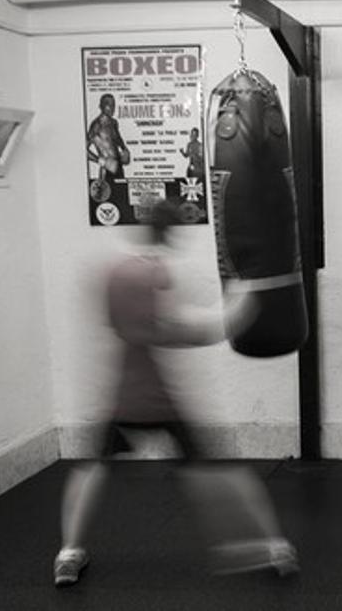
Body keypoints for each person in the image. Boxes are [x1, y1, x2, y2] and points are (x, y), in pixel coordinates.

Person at [52, 200, 299, 586]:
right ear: (172, 233)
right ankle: (275, 543)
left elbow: (128, 326)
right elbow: (176, 331)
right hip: (158, 399)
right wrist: (235, 312)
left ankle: (68, 553)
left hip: (123, 395)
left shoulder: (114, 272)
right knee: (222, 470)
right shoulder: (155, 276)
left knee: (92, 469)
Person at [87, 93, 130, 184]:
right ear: (101, 106)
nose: (112, 108)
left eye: (113, 104)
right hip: (107, 169)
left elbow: (119, 141)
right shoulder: (96, 125)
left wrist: (125, 151)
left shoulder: (114, 123)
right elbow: (83, 150)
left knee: (121, 194)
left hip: (118, 167)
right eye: (108, 104)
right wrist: (101, 161)